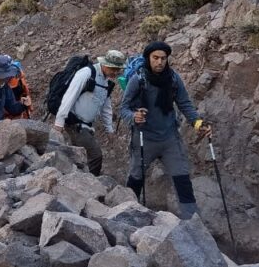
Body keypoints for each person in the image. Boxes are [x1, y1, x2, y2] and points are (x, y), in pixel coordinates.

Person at [120, 40, 211, 219]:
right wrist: (134, 116)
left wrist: (198, 123)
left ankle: (193, 223)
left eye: (163, 58)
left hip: (170, 138)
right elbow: (123, 108)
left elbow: (184, 103)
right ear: (148, 58)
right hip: (144, 137)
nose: (160, 62)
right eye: (155, 58)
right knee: (136, 177)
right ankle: (126, 215)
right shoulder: (138, 79)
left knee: (182, 179)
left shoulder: (173, 78)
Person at [53, 49, 126, 176]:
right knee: (95, 155)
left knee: (80, 156)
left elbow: (106, 107)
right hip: (75, 123)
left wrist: (110, 130)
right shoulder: (87, 73)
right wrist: (59, 122)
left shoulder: (106, 81)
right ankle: (91, 182)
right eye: (112, 68)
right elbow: (69, 96)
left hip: (87, 126)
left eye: (117, 69)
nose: (115, 72)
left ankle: (76, 178)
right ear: (104, 64)